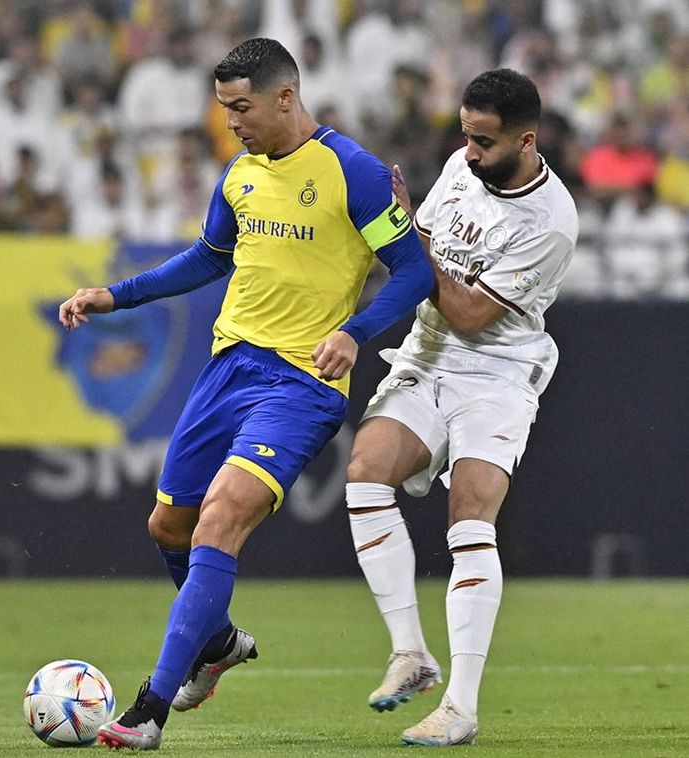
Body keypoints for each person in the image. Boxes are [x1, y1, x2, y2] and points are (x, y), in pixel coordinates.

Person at [57, 38, 434, 750]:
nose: (229, 121)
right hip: (227, 369)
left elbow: (412, 272)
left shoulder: (350, 170)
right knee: (167, 527)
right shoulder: (239, 173)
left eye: (240, 107)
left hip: (300, 382)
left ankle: (148, 710)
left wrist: (354, 333)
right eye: (223, 108)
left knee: (218, 519)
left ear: (284, 97)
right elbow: (208, 256)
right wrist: (116, 295)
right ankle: (218, 640)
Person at [344, 69, 577, 746]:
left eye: (482, 141)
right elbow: (411, 259)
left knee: (469, 510)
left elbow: (472, 312)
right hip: (426, 353)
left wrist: (404, 237)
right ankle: (410, 653)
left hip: (497, 370)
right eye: (464, 136)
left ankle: (460, 708)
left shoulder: (550, 220)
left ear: (525, 139)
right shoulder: (457, 165)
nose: (467, 152)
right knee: (364, 471)